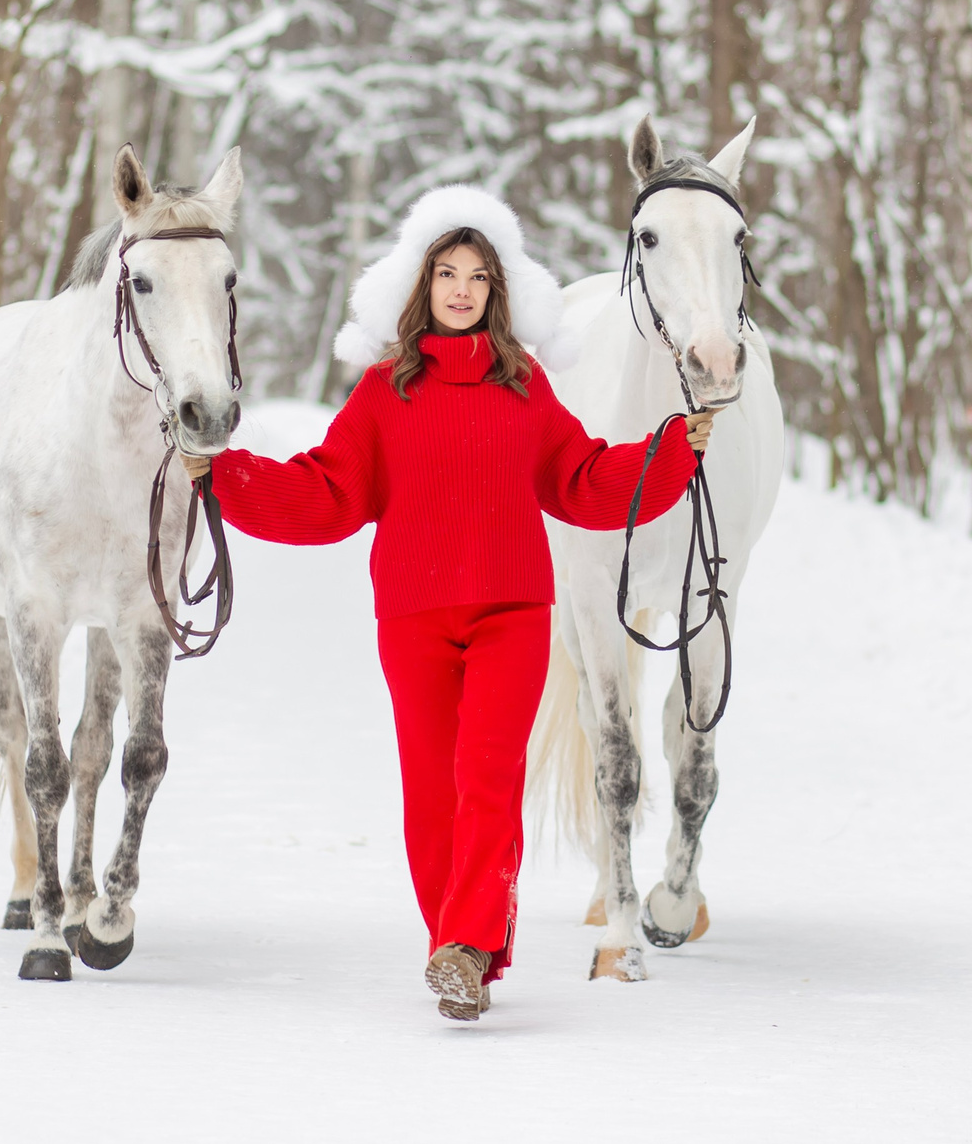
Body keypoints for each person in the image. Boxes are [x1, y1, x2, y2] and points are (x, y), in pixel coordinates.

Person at [190, 187, 712, 1021]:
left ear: (496, 290)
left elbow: (580, 480)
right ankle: (459, 950)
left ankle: (466, 946)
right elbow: (327, 492)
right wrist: (225, 475)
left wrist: (669, 453)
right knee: (432, 796)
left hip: (513, 613)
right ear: (422, 285)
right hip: (414, 617)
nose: (462, 290)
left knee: (488, 781)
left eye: (477, 276)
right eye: (447, 274)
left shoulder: (526, 386)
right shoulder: (382, 392)